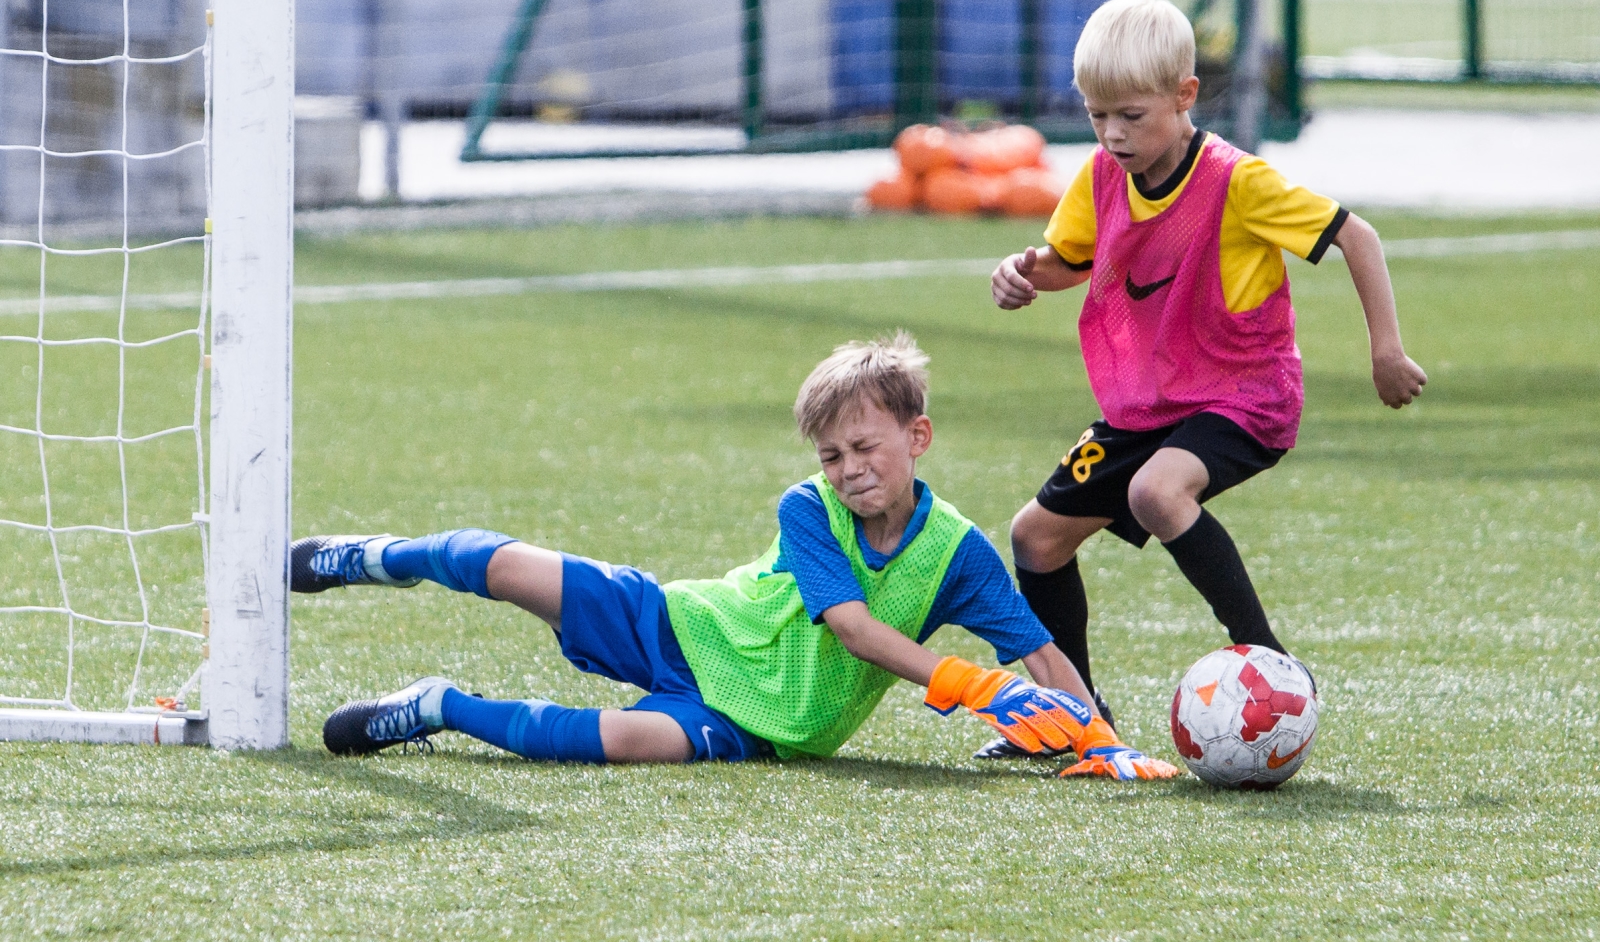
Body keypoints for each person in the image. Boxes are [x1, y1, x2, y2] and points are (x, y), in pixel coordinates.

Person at [293, 333, 1179, 781]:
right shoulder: (810, 510)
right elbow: (855, 628)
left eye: (866, 448)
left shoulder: (957, 553)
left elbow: (1040, 649)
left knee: (628, 744)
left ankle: (437, 707)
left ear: (919, 438)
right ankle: (375, 556)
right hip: (687, 628)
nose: (849, 470)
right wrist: (978, 687)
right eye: (833, 456)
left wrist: (1100, 739)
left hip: (769, 725)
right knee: (512, 570)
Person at [983, 0, 1427, 759]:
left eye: (1132, 116)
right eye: (1098, 116)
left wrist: (1385, 351)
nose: (1113, 135)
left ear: (1185, 97)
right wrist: (1023, 273)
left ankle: (1270, 662)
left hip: (1243, 395)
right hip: (1145, 406)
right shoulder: (1100, 177)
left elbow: (1359, 238)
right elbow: (1069, 262)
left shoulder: (1236, 182)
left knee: (1156, 490)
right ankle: (1075, 722)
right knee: (1036, 537)